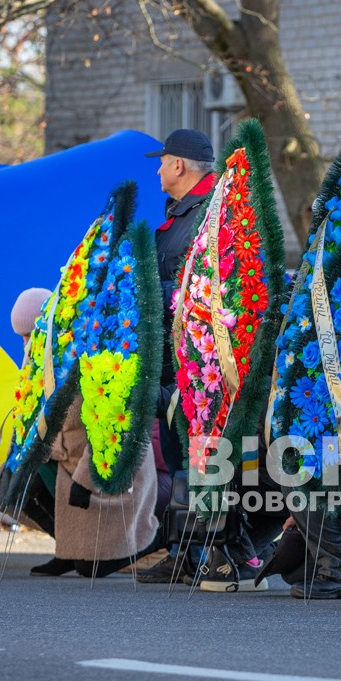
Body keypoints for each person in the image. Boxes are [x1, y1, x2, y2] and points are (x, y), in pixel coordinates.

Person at [0, 288, 161, 578]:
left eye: (30, 334)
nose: (25, 343)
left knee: (90, 569)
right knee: (13, 483)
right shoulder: (38, 365)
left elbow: (107, 432)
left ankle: (139, 544)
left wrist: (83, 481)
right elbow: (30, 422)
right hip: (66, 470)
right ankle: (68, 547)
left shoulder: (87, 360)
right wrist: (17, 460)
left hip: (104, 475)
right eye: (21, 336)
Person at [136, 128, 218, 586]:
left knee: (194, 455)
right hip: (174, 355)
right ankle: (182, 551)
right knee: (174, 448)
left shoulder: (209, 214)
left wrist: (150, 295)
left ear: (180, 166)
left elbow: (201, 288)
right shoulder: (180, 213)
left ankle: (204, 551)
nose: (158, 168)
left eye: (163, 160)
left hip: (199, 360)